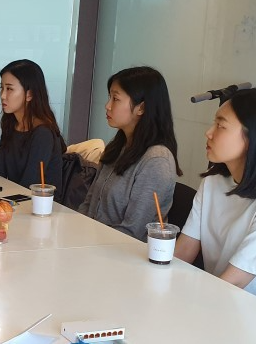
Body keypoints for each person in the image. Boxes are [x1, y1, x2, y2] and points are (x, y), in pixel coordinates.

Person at [174, 88, 256, 313]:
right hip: (218, 303)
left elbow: (234, 281)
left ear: (254, 137)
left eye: (221, 126)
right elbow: (184, 251)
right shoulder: (213, 183)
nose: (208, 133)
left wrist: (182, 307)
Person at [77, 66, 182, 240]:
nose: (107, 106)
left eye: (115, 99)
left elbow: (133, 231)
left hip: (123, 251)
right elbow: (88, 204)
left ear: (141, 108)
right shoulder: (117, 147)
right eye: (109, 97)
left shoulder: (156, 160)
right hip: (93, 243)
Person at [0, 59, 66, 190]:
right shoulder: (11, 125)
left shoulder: (43, 133)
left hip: (38, 202)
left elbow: (29, 186)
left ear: (29, 94)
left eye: (9, 89)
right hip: (15, 198)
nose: (3, 95)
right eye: (1, 88)